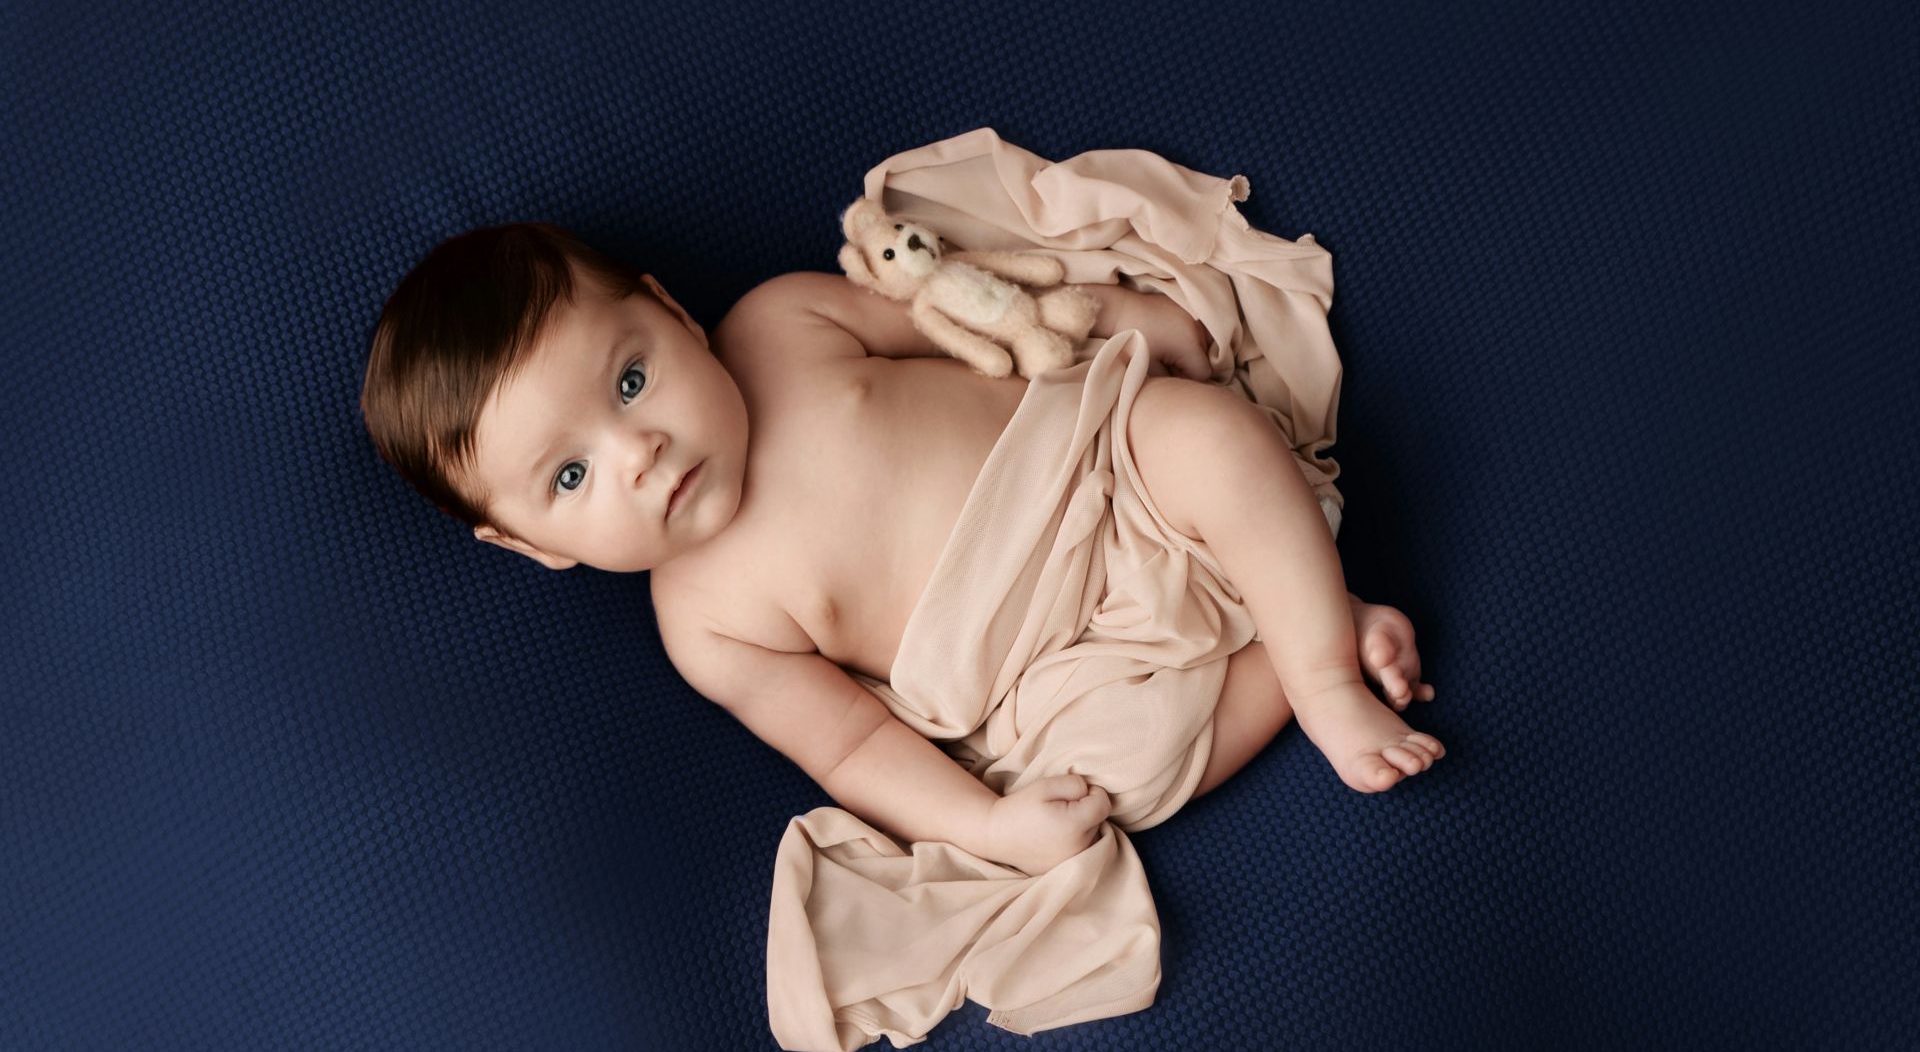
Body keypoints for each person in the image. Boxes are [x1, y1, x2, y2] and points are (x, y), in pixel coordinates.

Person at [359, 222, 1442, 876]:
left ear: (672, 313)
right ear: (533, 548)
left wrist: (1114, 318)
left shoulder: (781, 324)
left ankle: (1323, 677)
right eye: (570, 478)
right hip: (1032, 673)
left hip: (1095, 465)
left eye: (630, 380)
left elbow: (974, 317)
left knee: (1214, 437)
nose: (638, 452)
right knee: (1127, 771)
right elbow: (853, 747)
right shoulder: (707, 623)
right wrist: (989, 826)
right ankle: (1295, 638)